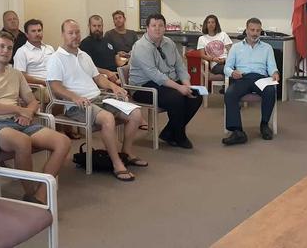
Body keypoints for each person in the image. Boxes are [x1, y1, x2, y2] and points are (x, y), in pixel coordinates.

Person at [0, 31, 71, 204]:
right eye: (1, 46)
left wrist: (28, 113)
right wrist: (18, 110)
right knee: (22, 142)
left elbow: (32, 101)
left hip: (19, 121)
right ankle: (29, 192)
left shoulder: (15, 73)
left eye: (9, 48)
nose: (6, 50)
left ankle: (40, 193)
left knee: (63, 142)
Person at [47, 19, 147, 182]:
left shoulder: (84, 55)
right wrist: (74, 97)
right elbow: (55, 87)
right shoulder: (56, 58)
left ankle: (126, 153)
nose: (75, 36)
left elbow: (98, 78)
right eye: (70, 33)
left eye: (77, 32)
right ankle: (117, 163)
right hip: (77, 104)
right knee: (107, 119)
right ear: (63, 35)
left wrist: (113, 86)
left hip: (99, 98)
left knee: (135, 113)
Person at [129, 13, 202, 149]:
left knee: (196, 96)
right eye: (153, 25)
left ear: (165, 28)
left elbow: (180, 66)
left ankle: (169, 132)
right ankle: (179, 135)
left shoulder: (169, 43)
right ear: (147, 28)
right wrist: (179, 88)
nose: (157, 29)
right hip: (144, 86)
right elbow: (155, 75)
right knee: (177, 98)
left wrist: (186, 84)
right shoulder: (141, 46)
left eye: (160, 25)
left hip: (167, 82)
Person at [221, 17, 279, 145]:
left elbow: (272, 67)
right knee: (230, 94)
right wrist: (232, 73)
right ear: (246, 30)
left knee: (270, 91)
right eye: (252, 30)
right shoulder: (236, 48)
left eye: (258, 30)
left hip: (260, 78)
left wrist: (275, 73)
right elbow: (227, 68)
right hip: (242, 78)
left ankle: (264, 125)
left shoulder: (267, 48)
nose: (255, 33)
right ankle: (237, 131)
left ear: (260, 31)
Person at [80, 15, 124, 84]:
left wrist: (127, 66)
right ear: (89, 26)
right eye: (94, 26)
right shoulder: (85, 43)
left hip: (116, 75)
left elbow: (117, 59)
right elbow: (88, 67)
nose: (97, 28)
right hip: (102, 78)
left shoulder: (108, 40)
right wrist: (107, 72)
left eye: (99, 26)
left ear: (102, 26)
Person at [13, 19, 54, 86]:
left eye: (39, 30)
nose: (37, 34)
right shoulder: (22, 51)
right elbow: (20, 76)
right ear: (26, 34)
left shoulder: (49, 48)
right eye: (33, 31)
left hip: (54, 84)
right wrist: (44, 82)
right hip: (37, 87)